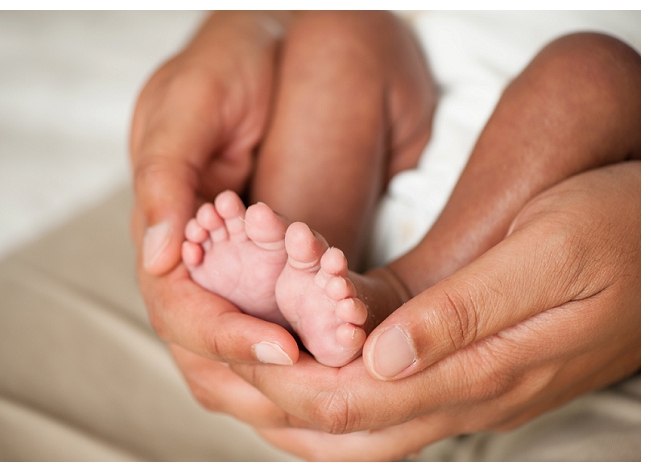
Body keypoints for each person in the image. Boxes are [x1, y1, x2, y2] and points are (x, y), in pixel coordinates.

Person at [131, 11, 640, 460]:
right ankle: (297, 252)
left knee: (594, 70)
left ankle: (398, 293)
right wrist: (252, 21)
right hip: (410, 106)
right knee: (340, 30)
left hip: (581, 203)